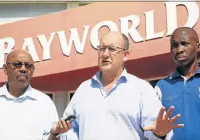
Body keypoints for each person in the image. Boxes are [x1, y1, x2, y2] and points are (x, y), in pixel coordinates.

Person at [50, 31, 184, 140]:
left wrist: (159, 133)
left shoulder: (141, 89)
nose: (105, 54)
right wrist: (59, 133)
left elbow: (154, 131)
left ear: (125, 55)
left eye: (112, 49)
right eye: (101, 48)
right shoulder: (84, 90)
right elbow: (69, 131)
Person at [155, 27, 200, 140]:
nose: (179, 49)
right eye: (174, 45)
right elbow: (154, 130)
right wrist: (158, 133)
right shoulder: (161, 86)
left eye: (184, 43)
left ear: (198, 47)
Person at [0, 50, 59, 140]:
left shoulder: (45, 102)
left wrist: (54, 134)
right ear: (5, 69)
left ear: (33, 70)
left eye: (28, 66)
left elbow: (52, 137)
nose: (23, 69)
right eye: (17, 65)